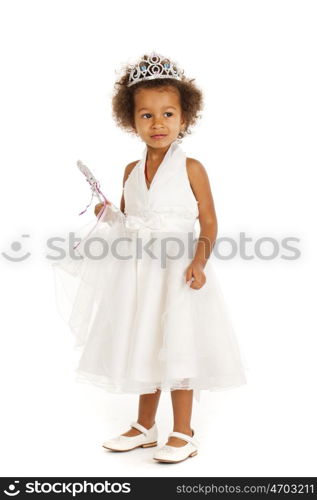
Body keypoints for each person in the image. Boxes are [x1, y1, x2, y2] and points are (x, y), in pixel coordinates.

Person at [52, 52, 247, 464]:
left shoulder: (191, 167)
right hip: (139, 274)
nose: (157, 124)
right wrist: (109, 216)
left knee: (178, 345)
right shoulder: (129, 170)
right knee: (145, 343)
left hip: (177, 273)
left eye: (168, 114)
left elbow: (209, 222)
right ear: (131, 119)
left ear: (185, 118)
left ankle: (183, 431)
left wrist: (199, 261)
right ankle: (145, 426)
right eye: (146, 115)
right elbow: (130, 223)